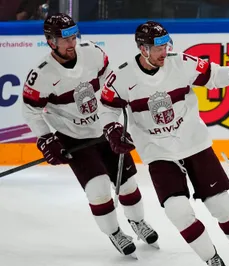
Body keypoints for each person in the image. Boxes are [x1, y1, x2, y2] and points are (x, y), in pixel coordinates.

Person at [98, 21, 229, 266]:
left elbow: (214, 75)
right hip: (158, 152)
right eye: (158, 47)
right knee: (178, 211)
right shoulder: (122, 76)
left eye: (166, 45)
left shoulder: (180, 62)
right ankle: (212, 260)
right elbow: (107, 108)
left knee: (222, 205)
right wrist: (112, 129)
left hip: (194, 143)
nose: (165, 51)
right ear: (143, 49)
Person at [21, 13, 158, 258]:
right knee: (98, 188)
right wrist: (46, 138)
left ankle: (137, 221)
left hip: (105, 128)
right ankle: (115, 232)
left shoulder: (93, 53)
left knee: (127, 183)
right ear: (51, 42)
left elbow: (110, 79)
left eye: (73, 36)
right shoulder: (41, 74)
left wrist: (113, 114)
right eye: (65, 40)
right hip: (73, 137)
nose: (71, 43)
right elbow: (30, 109)